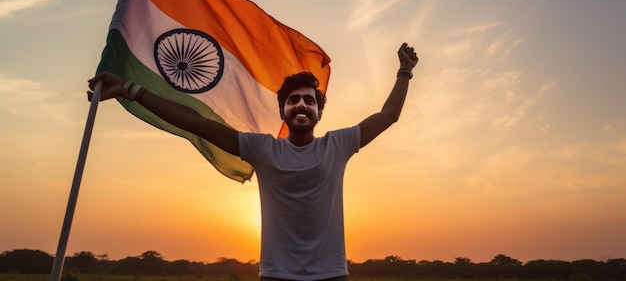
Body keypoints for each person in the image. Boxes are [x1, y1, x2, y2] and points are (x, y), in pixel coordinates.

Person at [88, 42, 418, 281]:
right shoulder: (263, 149)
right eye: (293, 100)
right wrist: (131, 90)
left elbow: (388, 115)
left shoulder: (338, 144)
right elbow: (196, 123)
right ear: (283, 112)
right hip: (276, 275)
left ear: (319, 112)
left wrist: (404, 71)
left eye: (309, 100)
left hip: (331, 275)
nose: (301, 105)